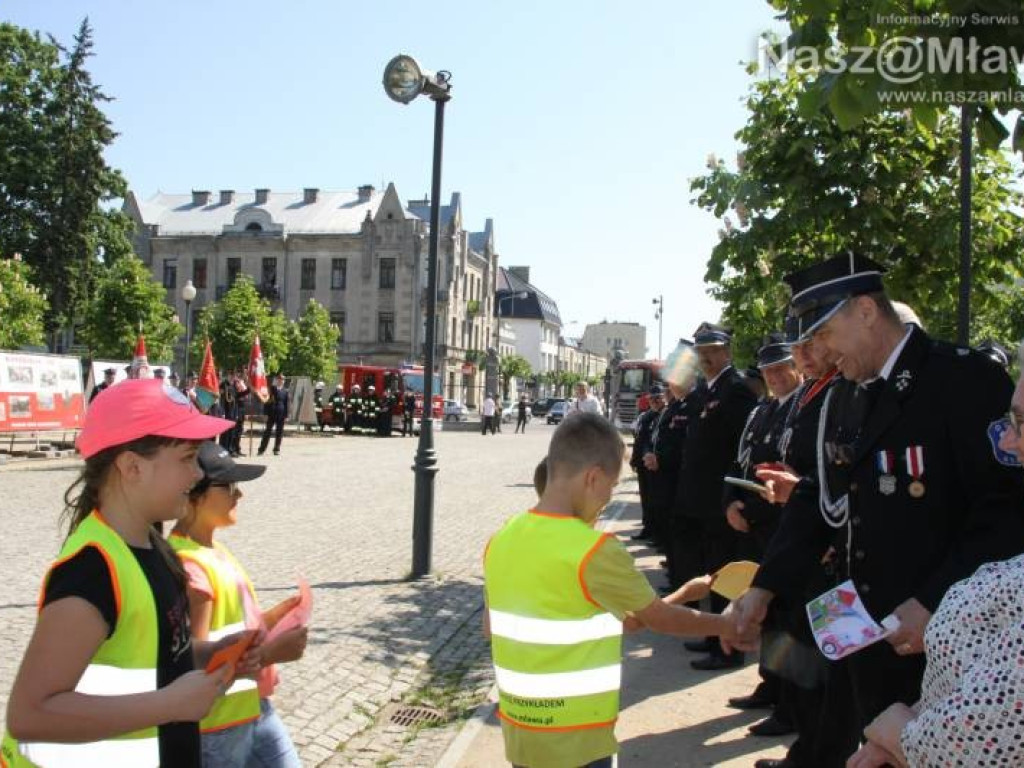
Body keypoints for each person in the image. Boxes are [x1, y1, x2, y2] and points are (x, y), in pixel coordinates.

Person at [732, 253, 1024, 749]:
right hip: (861, 631)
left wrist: (933, 602)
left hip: (940, 644)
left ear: (865, 310)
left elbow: (1006, 512)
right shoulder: (846, 393)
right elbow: (818, 497)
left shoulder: (964, 381)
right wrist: (765, 587)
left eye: (823, 334)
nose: (818, 352)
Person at [483, 413, 744, 768]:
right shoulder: (593, 550)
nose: (607, 498)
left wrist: (682, 594)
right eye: (612, 486)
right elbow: (659, 620)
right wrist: (726, 625)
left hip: (521, 733)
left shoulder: (502, 539)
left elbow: (494, 627)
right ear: (593, 477)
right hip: (579, 738)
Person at [0, 379, 238, 767]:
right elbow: (29, 715)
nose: (198, 475)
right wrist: (169, 705)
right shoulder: (93, 571)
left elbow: (159, 656)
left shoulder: (154, 548)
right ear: (132, 467)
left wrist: (215, 654)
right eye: (187, 458)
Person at [846, 353, 1024, 768]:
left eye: (1019, 422)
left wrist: (895, 730)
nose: (1006, 441)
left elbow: (976, 741)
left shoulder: (960, 379)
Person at [170, 442, 305, 768]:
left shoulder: (211, 549)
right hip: (218, 726)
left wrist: (273, 618)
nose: (238, 494)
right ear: (195, 495)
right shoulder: (190, 566)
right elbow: (195, 665)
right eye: (229, 486)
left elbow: (233, 627)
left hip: (252, 707)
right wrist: (272, 654)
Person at [678, 323, 757, 671]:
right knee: (711, 572)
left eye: (712, 351)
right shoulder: (705, 390)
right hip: (701, 501)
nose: (706, 358)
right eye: (702, 352)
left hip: (720, 501)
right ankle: (714, 637)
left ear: (726, 351)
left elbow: (740, 452)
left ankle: (728, 648)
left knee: (726, 575)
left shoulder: (735, 390)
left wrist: (731, 497)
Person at [630, 385, 665, 542]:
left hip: (653, 463)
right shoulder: (645, 416)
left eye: (657, 398)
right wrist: (634, 460)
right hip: (642, 462)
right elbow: (638, 439)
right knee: (645, 498)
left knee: (655, 500)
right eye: (652, 399)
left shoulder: (663, 415)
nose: (655, 401)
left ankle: (656, 532)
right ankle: (648, 528)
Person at [258, 374, 289, 456]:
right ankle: (261, 449)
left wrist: (286, 415)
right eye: (279, 379)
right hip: (271, 413)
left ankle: (276, 449)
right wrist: (265, 413)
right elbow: (267, 401)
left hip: (281, 414)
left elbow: (286, 404)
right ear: (277, 380)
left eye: (282, 379)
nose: (281, 381)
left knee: (279, 432)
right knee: (267, 432)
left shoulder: (285, 391)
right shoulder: (272, 389)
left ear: (284, 381)